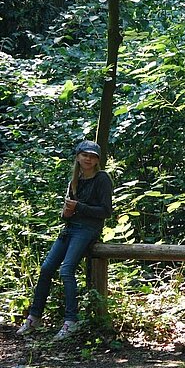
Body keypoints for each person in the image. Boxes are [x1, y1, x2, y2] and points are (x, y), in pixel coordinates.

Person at [16, 140, 113, 341]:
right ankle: (34, 317)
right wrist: (68, 211)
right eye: (85, 155)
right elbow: (67, 215)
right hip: (70, 229)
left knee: (66, 270)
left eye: (93, 156)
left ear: (97, 160)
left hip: (88, 229)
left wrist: (78, 207)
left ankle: (71, 320)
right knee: (46, 268)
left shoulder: (102, 179)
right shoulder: (74, 181)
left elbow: (105, 212)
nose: (88, 159)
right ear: (77, 157)